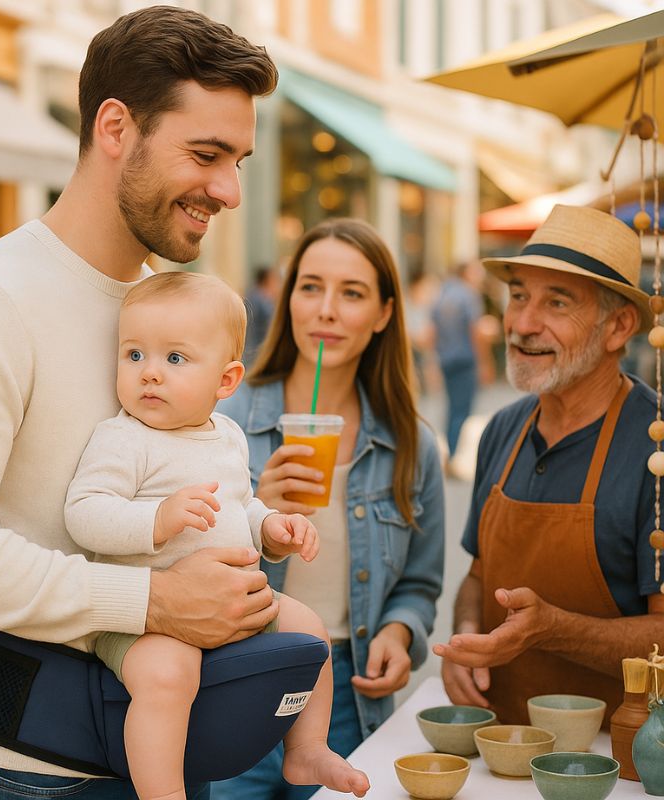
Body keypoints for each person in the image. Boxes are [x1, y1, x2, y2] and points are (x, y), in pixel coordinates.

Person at [0, 7, 281, 798]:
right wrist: (156, 601)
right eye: (206, 154)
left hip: (159, 760)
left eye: (238, 160)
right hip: (24, 774)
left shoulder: (160, 309)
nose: (228, 190)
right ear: (115, 127)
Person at [65, 271, 370, 800]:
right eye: (134, 355)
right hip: (145, 617)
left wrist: (271, 524)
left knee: (311, 634)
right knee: (168, 676)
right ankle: (164, 794)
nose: (150, 374)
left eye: (174, 359)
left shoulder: (226, 435)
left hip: (234, 600)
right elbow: (84, 514)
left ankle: (306, 749)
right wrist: (157, 519)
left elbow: (241, 504)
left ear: (226, 381)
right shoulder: (124, 438)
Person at [212, 218, 445, 800]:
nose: (327, 310)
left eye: (353, 293)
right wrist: (255, 519)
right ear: (288, 299)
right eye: (310, 287)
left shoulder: (411, 445)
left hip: (346, 694)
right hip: (232, 684)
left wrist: (399, 630)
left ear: (386, 313)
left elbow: (419, 582)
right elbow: (167, 563)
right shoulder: (221, 420)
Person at [433, 204, 664, 726]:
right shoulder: (503, 430)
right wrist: (468, 635)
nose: (522, 324)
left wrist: (553, 628)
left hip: (617, 759)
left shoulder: (655, 447)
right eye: (518, 296)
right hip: (501, 743)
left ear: (619, 326)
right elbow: (476, 577)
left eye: (556, 303)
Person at [430, 259, 494, 473]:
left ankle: (449, 455)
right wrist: (485, 362)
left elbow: (432, 331)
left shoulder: (442, 295)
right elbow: (475, 331)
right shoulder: (468, 295)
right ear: (466, 273)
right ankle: (452, 456)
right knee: (461, 410)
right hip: (465, 360)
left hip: (446, 359)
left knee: (452, 408)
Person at [243, 264, 282, 365]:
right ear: (267, 280)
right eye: (275, 280)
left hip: (249, 348)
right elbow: (273, 321)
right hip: (256, 350)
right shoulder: (261, 299)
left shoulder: (251, 294)